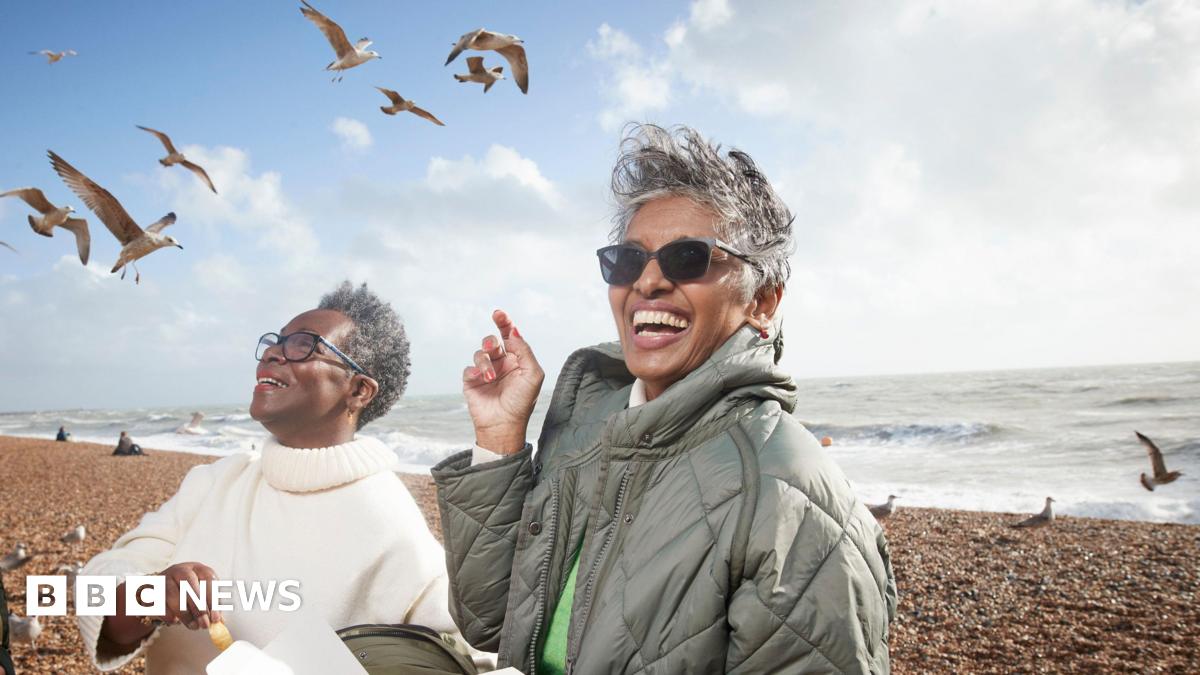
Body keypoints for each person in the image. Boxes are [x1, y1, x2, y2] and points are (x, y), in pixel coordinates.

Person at [433, 124, 897, 673]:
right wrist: (499, 438)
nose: (648, 281)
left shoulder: (788, 498)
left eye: (688, 258)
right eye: (628, 261)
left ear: (764, 301)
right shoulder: (585, 432)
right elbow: (490, 623)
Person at [78, 281, 456, 673]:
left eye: (302, 345)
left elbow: (459, 657)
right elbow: (98, 589)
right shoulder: (216, 482)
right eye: (277, 341)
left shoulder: (393, 524)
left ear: (359, 390)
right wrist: (150, 595)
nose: (274, 353)